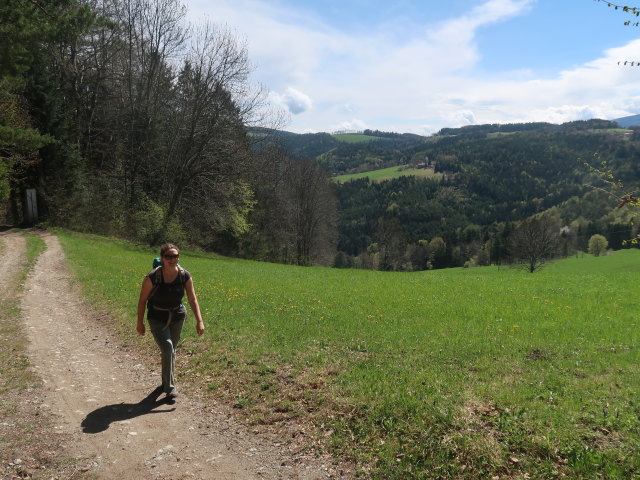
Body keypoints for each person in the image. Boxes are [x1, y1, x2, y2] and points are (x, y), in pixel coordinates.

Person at [137, 243, 205, 400]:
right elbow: (142, 301)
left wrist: (199, 321)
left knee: (171, 352)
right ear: (162, 258)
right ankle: (170, 389)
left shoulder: (184, 276)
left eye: (175, 256)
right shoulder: (152, 277)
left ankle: (165, 382)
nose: (172, 259)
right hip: (157, 317)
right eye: (168, 256)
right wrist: (139, 323)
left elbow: (192, 299)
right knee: (168, 350)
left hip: (177, 316)